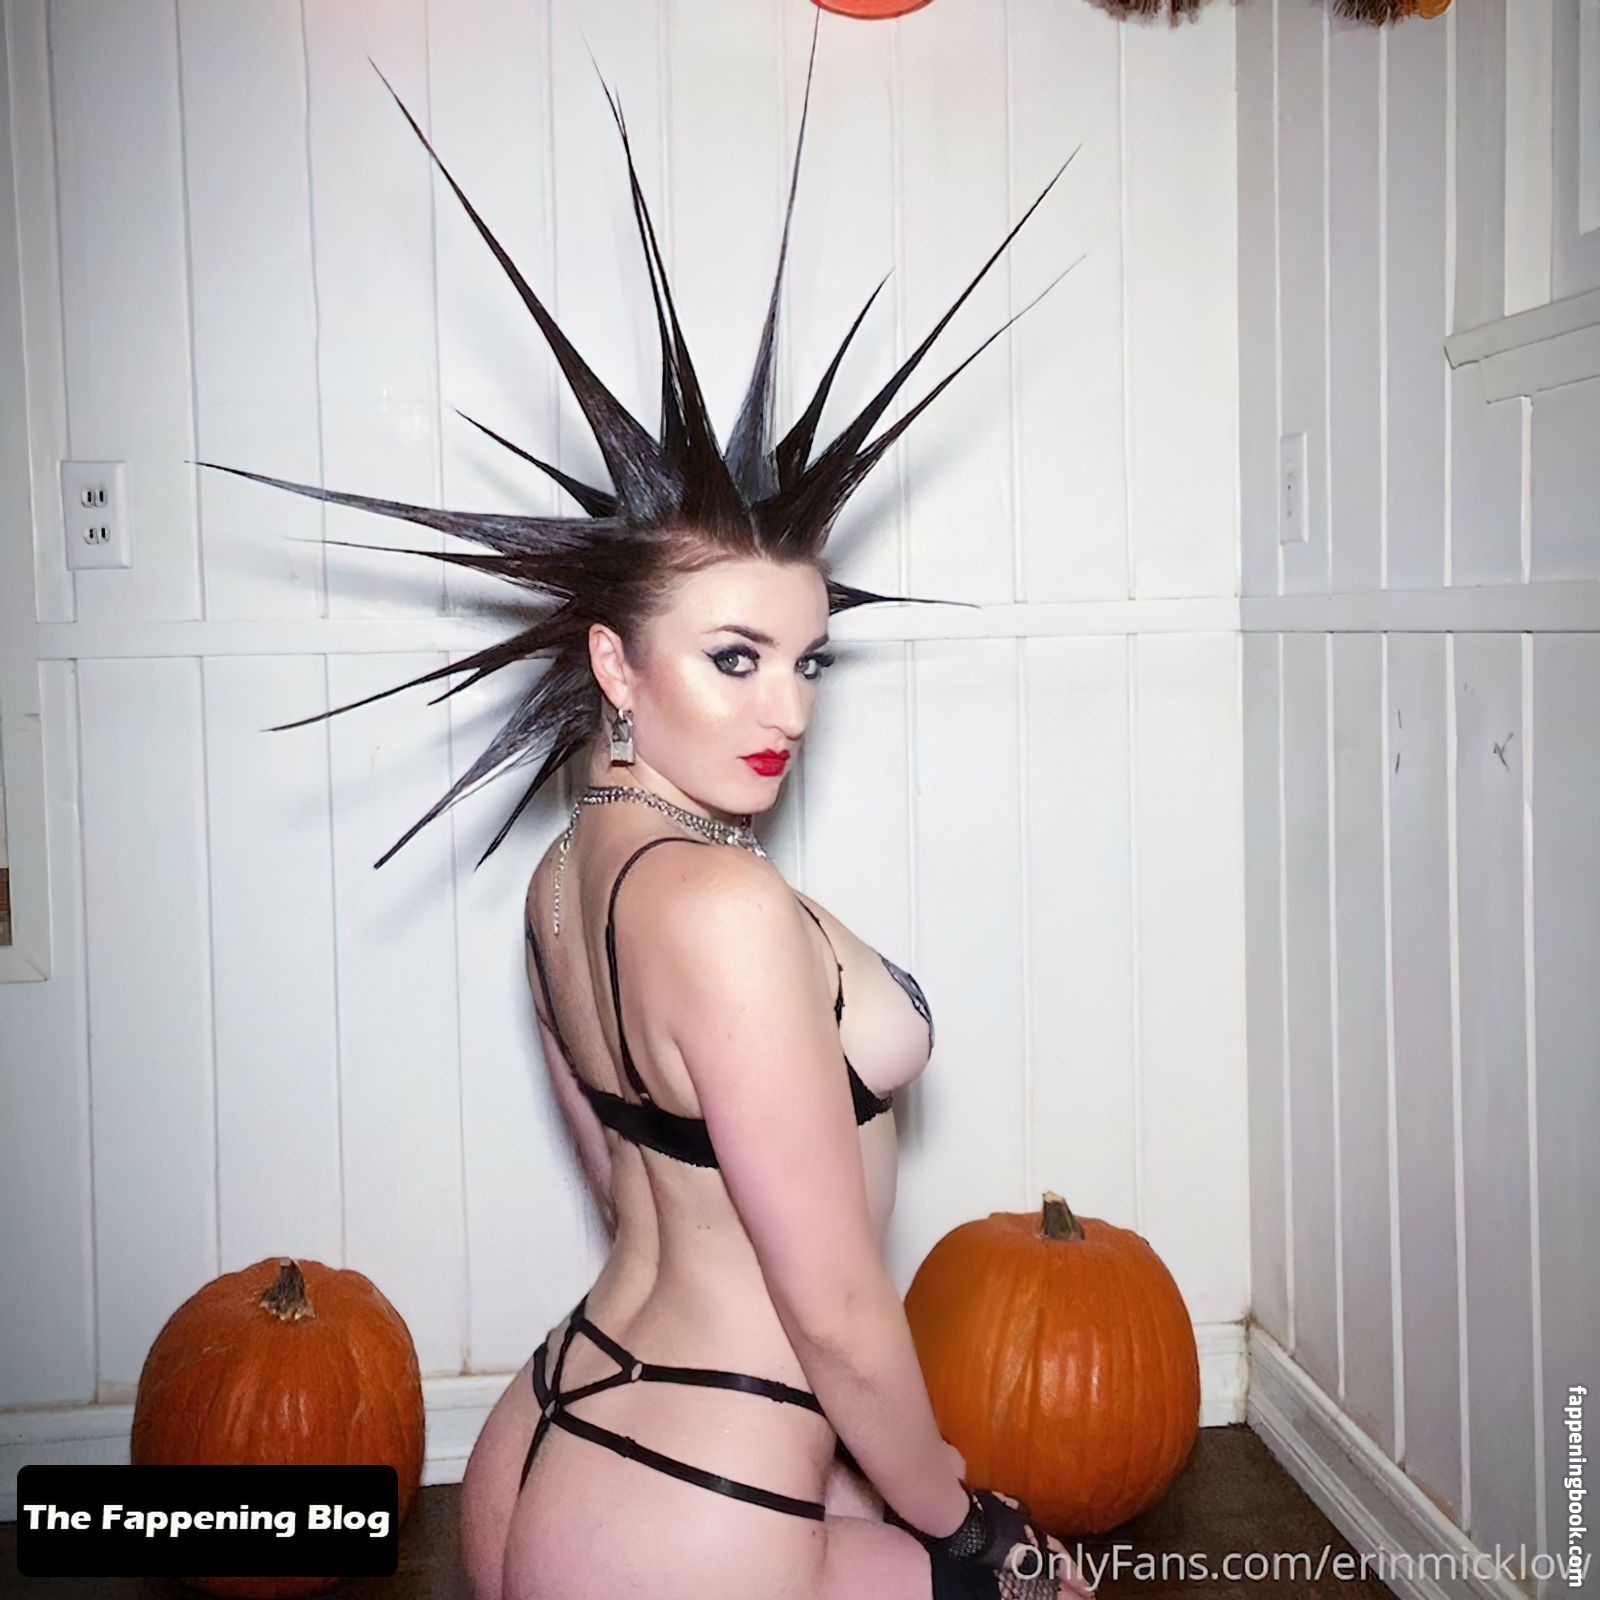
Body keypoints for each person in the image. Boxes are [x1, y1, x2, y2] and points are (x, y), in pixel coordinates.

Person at [204, 17, 1096, 1600]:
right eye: (735, 658)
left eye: (809, 660)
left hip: (554, 1434)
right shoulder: (724, 909)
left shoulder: (567, 877)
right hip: (691, 1500)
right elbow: (834, 1314)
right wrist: (966, 1529)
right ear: (615, 662)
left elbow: (639, 1192)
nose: (789, 709)